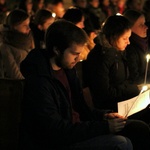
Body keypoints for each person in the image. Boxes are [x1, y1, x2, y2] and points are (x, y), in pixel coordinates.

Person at [19, 19, 150, 150]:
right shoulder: (40, 81)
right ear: (57, 50)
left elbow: (82, 109)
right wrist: (104, 127)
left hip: (80, 129)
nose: (78, 59)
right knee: (121, 143)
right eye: (74, 54)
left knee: (139, 128)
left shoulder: (68, 71)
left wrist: (103, 116)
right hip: (62, 141)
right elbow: (55, 129)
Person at [84, 14, 150, 125]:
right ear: (113, 36)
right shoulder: (100, 57)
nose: (128, 42)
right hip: (111, 109)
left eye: (129, 38)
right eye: (125, 38)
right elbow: (104, 93)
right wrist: (134, 89)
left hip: (126, 100)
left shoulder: (118, 52)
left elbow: (126, 79)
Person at [0, 9, 34, 79]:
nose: (29, 28)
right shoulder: (5, 47)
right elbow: (14, 73)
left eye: (28, 24)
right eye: (25, 25)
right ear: (14, 26)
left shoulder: (29, 39)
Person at [123, 10, 150, 84]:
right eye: (141, 25)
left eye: (144, 23)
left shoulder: (145, 43)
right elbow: (135, 78)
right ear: (130, 28)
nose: (146, 27)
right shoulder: (129, 48)